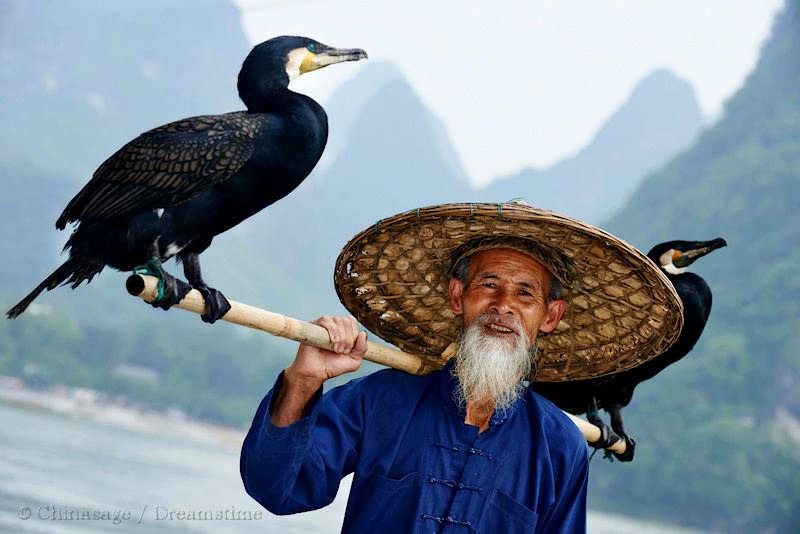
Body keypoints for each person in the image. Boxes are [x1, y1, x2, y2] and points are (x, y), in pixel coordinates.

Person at [240, 242, 587, 532]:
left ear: (550, 317)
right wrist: (303, 380)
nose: (503, 305)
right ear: (458, 296)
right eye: (488, 285)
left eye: (525, 293)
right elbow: (276, 488)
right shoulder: (381, 400)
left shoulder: (559, 446)